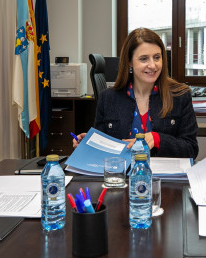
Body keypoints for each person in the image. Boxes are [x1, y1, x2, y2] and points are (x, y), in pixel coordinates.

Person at [73, 28, 198, 159]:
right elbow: (102, 149)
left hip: (162, 177)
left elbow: (191, 149)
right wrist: (89, 144)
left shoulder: (180, 95)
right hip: (121, 177)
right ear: (129, 62)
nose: (153, 65)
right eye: (144, 59)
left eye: (157, 57)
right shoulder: (108, 98)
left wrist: (157, 139)